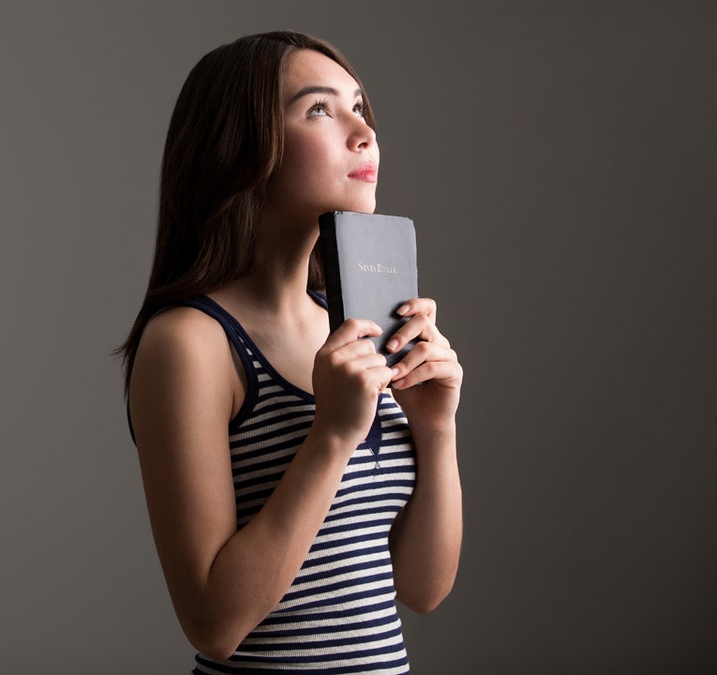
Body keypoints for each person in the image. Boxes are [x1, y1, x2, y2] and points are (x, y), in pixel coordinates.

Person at [119, 31, 463, 674]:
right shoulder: (190, 342)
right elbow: (214, 624)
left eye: (361, 108)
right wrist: (331, 436)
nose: (364, 134)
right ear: (242, 150)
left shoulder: (360, 328)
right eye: (319, 109)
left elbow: (423, 590)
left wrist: (436, 428)